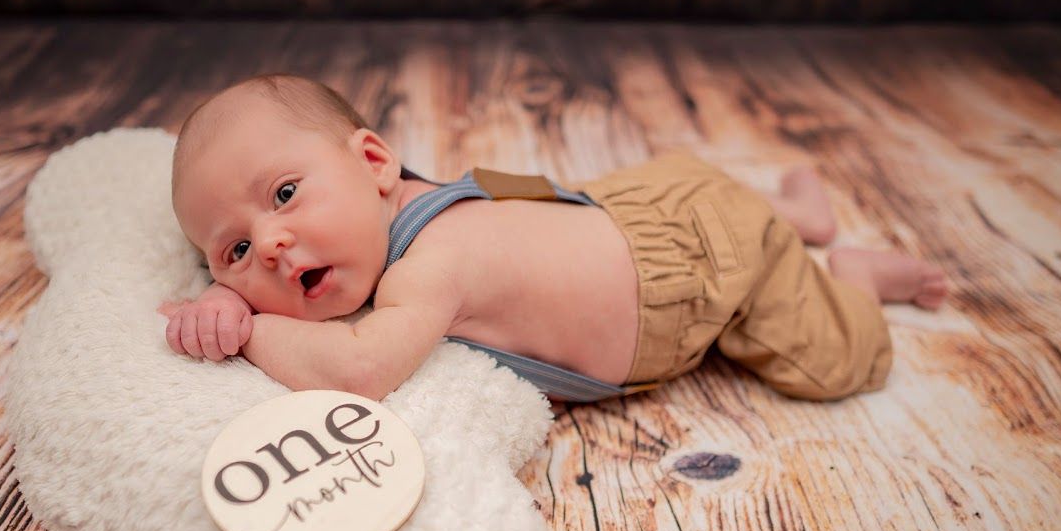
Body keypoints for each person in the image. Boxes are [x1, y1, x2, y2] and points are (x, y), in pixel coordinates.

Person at [160, 73, 947, 403]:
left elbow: (361, 368)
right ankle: (798, 211)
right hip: (639, 205)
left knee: (832, 363)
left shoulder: (435, 263)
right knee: (727, 204)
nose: (270, 245)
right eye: (233, 252)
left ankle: (853, 273)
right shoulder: (388, 210)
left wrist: (249, 330)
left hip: (701, 275)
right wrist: (228, 297)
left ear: (372, 162)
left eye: (285, 194)